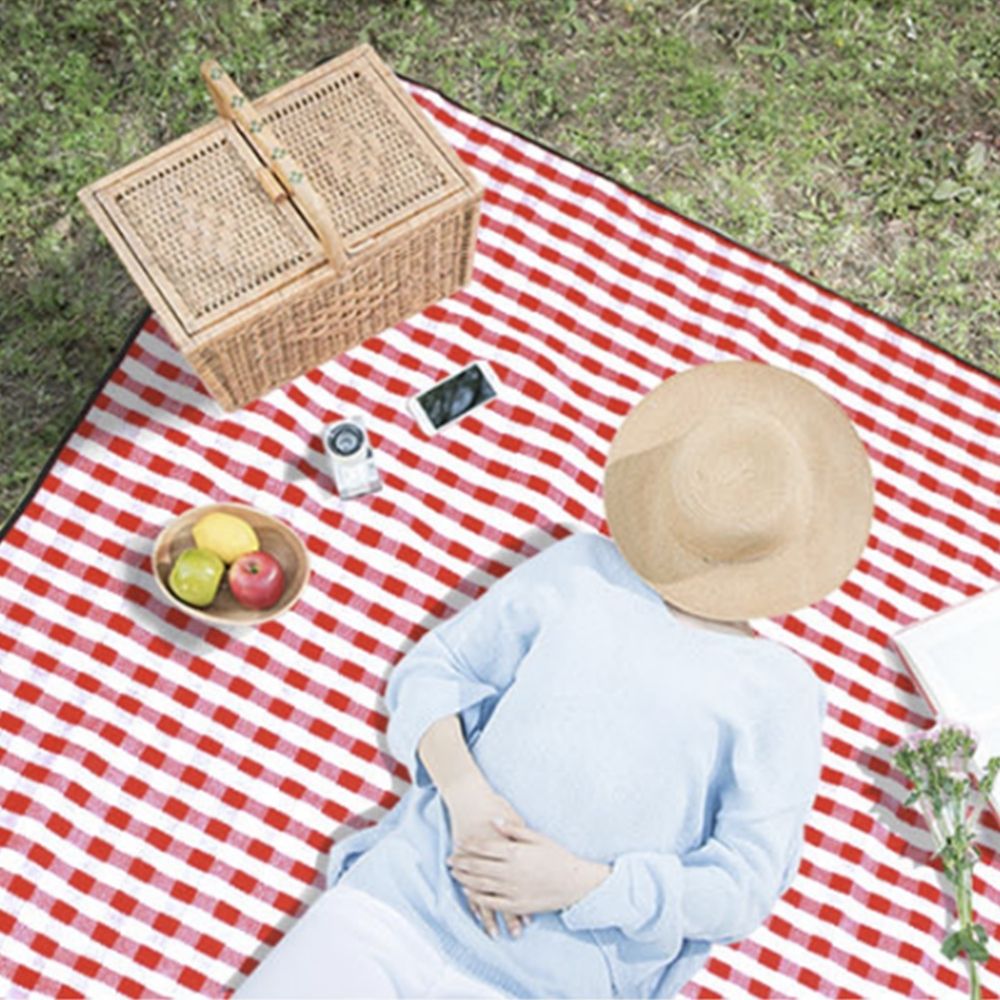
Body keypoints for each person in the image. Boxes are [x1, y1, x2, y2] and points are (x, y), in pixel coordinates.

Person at [232, 360, 874, 999]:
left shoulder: (782, 691)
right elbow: (436, 671)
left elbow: (743, 887)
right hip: (393, 907)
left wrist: (582, 884)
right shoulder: (581, 568)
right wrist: (468, 798)